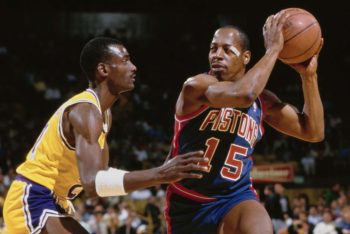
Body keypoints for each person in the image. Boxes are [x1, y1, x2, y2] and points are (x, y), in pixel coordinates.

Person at [3, 37, 210, 233]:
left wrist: (161, 171)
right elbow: (93, 184)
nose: (133, 67)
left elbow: (102, 179)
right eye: (125, 60)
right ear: (103, 70)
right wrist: (159, 174)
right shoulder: (85, 111)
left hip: (56, 200)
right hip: (33, 195)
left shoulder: (104, 115)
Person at [165, 10, 324, 234]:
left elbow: (313, 131)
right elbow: (244, 94)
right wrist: (273, 50)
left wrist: (308, 77)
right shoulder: (196, 86)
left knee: (259, 226)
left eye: (227, 50)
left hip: (235, 196)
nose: (217, 55)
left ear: (246, 58)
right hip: (189, 201)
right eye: (213, 48)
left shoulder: (263, 101)